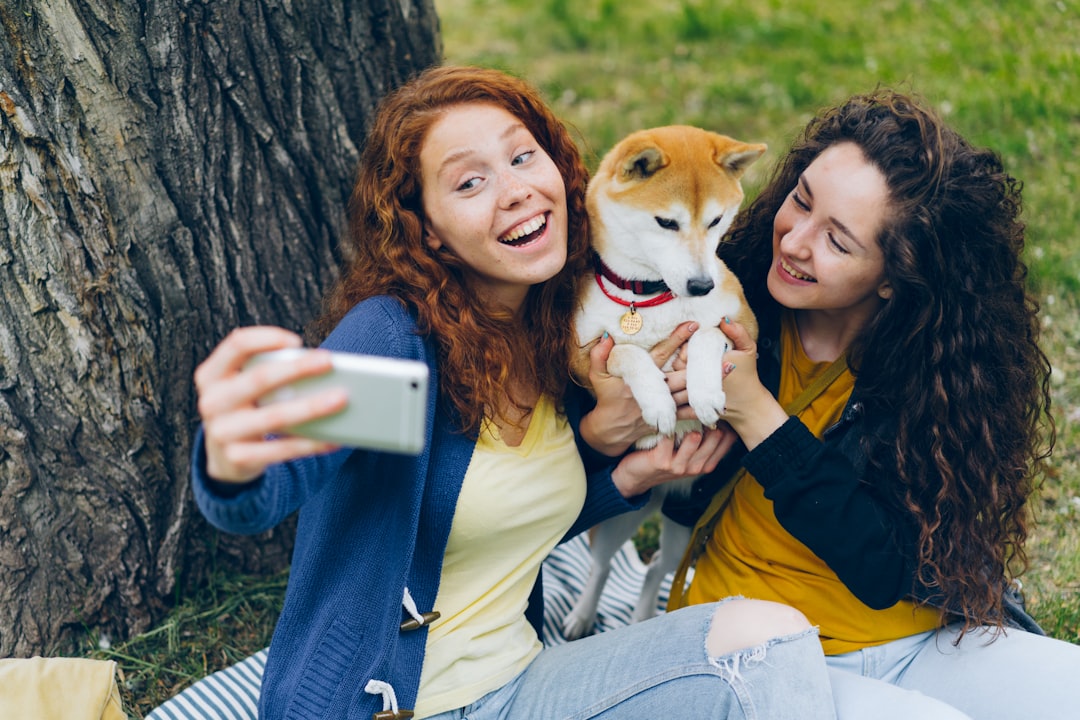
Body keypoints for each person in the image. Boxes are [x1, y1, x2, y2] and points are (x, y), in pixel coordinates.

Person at [190, 65, 837, 720]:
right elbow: (276, 474)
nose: (516, 190)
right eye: (470, 182)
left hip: (524, 686)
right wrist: (234, 458)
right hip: (391, 703)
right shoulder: (395, 342)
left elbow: (509, 520)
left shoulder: (555, 327)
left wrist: (627, 475)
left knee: (769, 639)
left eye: (523, 157)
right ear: (427, 228)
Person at [631, 88, 1080, 719]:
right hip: (765, 648)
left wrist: (759, 416)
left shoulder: (934, 366)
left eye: (838, 243)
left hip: (918, 638)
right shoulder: (725, 300)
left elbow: (881, 566)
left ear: (896, 275)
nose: (794, 241)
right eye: (801, 200)